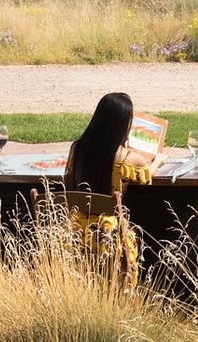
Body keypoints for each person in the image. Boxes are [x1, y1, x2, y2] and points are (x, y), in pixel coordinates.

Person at [63, 92, 154, 282]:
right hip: (110, 233)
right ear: (123, 126)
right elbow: (147, 177)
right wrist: (159, 160)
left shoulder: (77, 149)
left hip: (76, 230)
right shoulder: (127, 159)